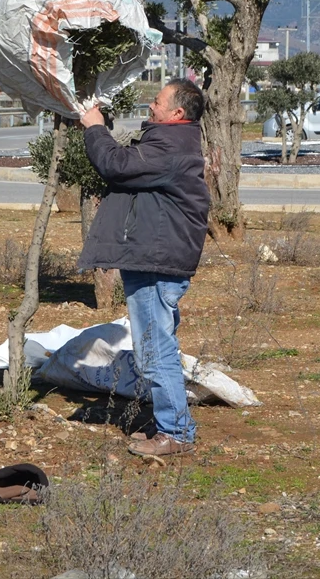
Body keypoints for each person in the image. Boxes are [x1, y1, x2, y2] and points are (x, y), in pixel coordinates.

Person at [77, 79, 210, 457]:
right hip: (155, 257)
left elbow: (116, 165)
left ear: (177, 113)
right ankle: (170, 423)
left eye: (157, 101)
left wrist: (94, 127)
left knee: (155, 349)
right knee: (156, 345)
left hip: (157, 262)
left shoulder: (170, 146)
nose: (150, 107)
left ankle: (176, 432)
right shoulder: (171, 142)